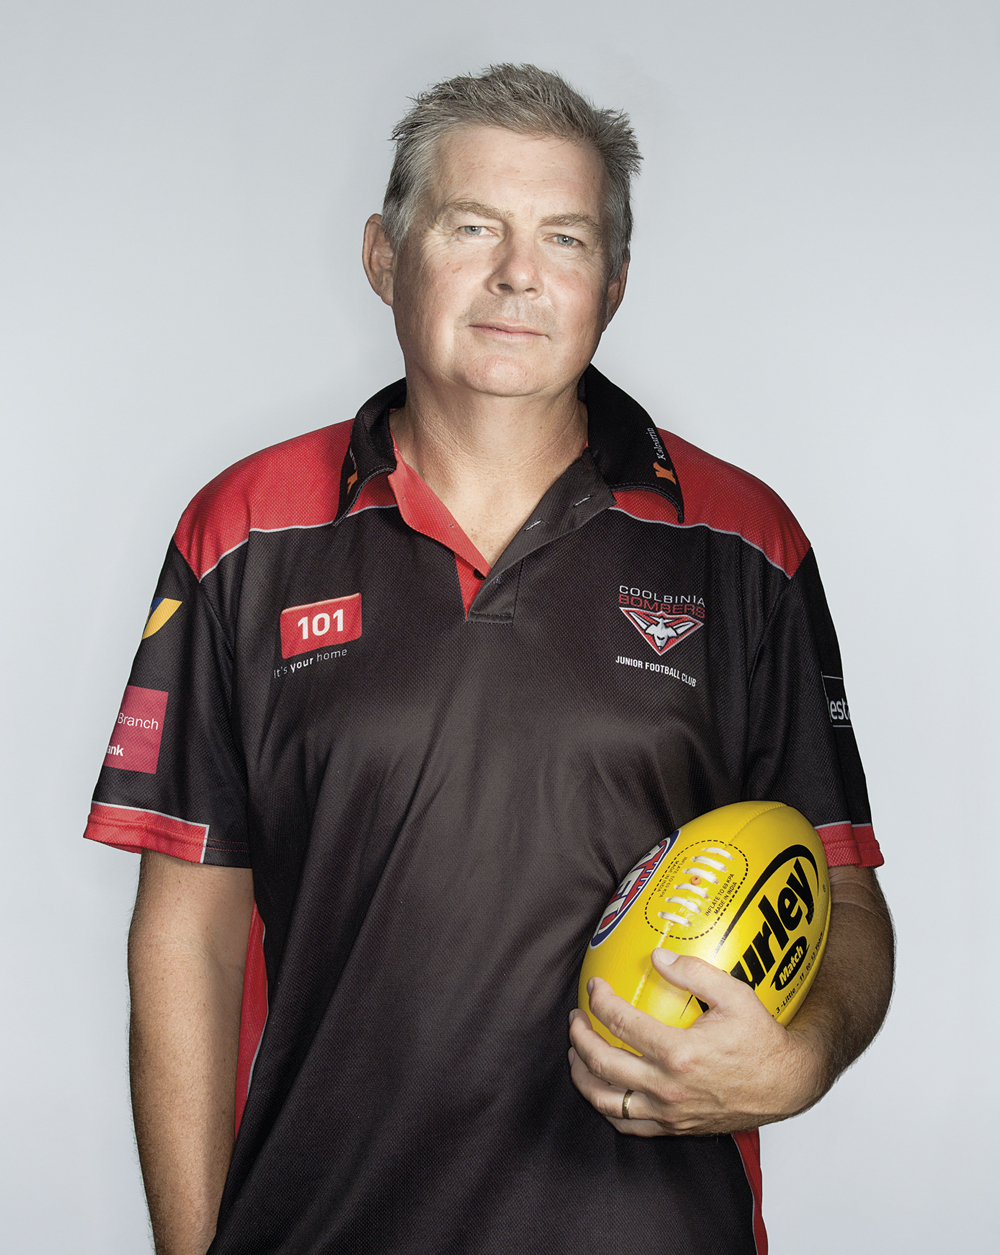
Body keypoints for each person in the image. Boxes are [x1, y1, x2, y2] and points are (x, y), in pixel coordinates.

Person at [85, 64, 893, 1255]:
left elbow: (844, 894)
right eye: (473, 227)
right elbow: (186, 937)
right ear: (383, 255)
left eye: (563, 237)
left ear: (610, 284)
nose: (518, 273)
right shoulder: (245, 534)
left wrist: (804, 1051)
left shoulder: (742, 542)